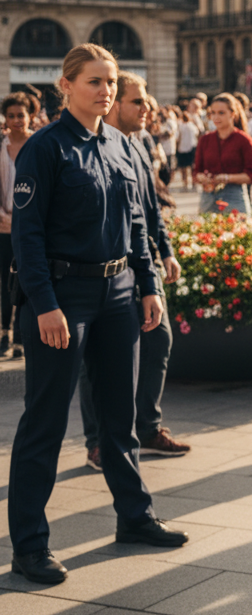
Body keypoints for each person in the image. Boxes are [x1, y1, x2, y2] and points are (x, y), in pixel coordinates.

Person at [8, 44, 187, 585]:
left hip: (120, 296)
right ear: (66, 86)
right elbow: (27, 234)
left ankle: (134, 517)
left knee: (121, 418)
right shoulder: (44, 148)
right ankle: (30, 546)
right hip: (65, 297)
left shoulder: (122, 146)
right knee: (45, 422)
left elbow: (137, 223)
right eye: (94, 82)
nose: (106, 91)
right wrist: (44, 305)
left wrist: (150, 286)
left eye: (110, 82)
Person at [78, 72, 189, 472]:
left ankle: (147, 427)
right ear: (115, 106)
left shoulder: (139, 145)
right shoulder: (96, 146)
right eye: (137, 102)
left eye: (146, 102)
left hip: (141, 265)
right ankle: (95, 442)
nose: (147, 109)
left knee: (157, 341)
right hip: (106, 272)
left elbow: (149, 209)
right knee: (97, 363)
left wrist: (166, 251)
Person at [0, 92, 32, 359]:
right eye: (11, 116)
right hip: (2, 225)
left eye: (20, 115)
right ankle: (4, 333)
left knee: (27, 279)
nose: (16, 120)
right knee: (4, 282)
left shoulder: (39, 144)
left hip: (30, 227)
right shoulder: (1, 146)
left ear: (29, 116)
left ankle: (22, 337)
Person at [194, 93, 252, 215]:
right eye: (213, 113)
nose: (216, 117)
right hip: (208, 196)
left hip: (234, 195)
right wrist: (203, 178)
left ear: (233, 114)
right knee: (206, 233)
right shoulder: (205, 139)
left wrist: (227, 178)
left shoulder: (244, 140)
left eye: (221, 113)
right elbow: (196, 172)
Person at [175, 105, 198, 191]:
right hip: (191, 147)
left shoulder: (180, 126)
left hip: (182, 148)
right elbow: (197, 133)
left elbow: (177, 138)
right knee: (192, 167)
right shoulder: (192, 126)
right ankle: (193, 183)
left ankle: (185, 183)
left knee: (184, 168)